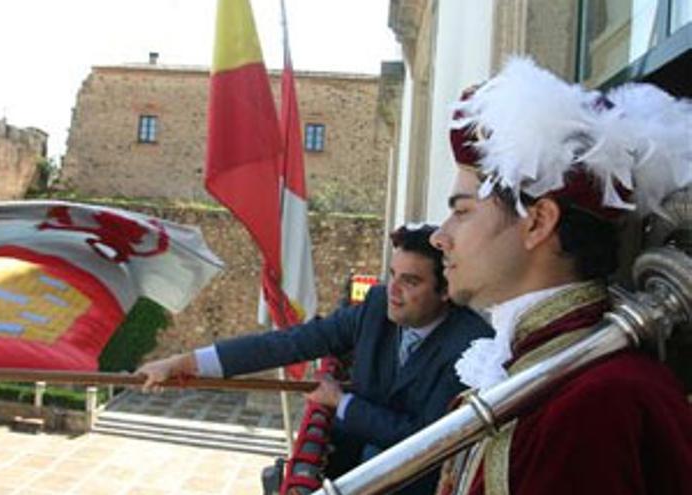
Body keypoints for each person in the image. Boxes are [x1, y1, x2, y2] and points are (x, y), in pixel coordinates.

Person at [429, 57, 692, 495]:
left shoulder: (600, 401)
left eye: (461, 211)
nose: (440, 236)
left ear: (537, 222)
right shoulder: (542, 374)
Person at [138, 224, 493, 495]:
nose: (394, 293)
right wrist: (184, 363)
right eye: (393, 276)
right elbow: (288, 344)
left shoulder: (471, 345)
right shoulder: (375, 307)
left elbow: (423, 439)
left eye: (410, 282)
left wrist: (341, 402)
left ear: (446, 290)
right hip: (357, 462)